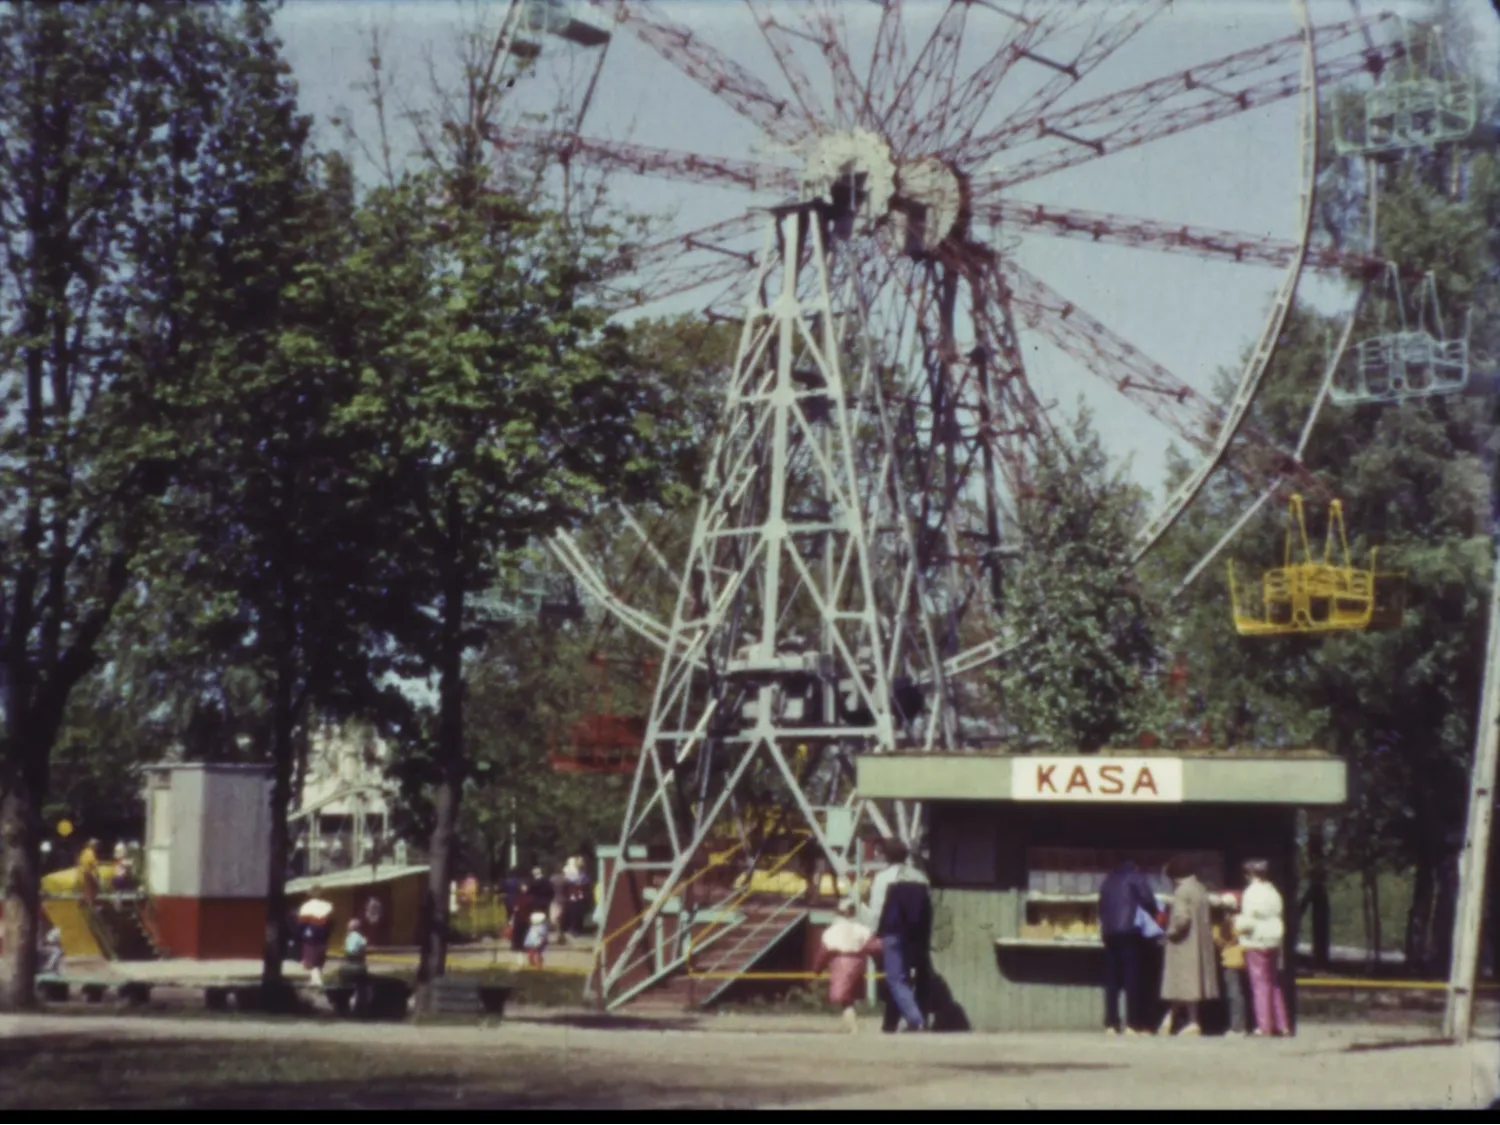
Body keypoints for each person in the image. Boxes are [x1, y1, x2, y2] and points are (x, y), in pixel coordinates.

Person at [867, 838, 931, 1034]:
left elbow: (877, 909)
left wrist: (873, 932)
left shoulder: (882, 878)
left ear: (886, 855)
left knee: (895, 978)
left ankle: (915, 1019)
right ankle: (890, 1023)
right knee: (906, 978)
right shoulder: (920, 877)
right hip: (916, 934)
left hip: (892, 931)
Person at [1097, 858, 1162, 1036]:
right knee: (1132, 978)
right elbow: (1148, 899)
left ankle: (1111, 1022)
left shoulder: (1108, 880)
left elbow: (1100, 906)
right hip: (1130, 932)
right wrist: (1155, 912)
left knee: (1112, 980)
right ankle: (1133, 1023)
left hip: (1109, 933)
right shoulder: (1136, 877)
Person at [1159, 856, 1218, 1036]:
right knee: (1189, 987)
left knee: (1182, 985)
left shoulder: (1182, 892)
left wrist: (1169, 933)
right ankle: (1171, 1020)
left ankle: (1188, 1022)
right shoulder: (1200, 889)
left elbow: (1182, 918)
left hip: (1184, 945)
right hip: (1199, 945)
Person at [1235, 858, 1291, 1037]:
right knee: (1274, 983)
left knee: (1259, 984)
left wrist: (1238, 926)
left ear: (1251, 874)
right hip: (1273, 937)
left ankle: (1264, 1026)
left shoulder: (1251, 893)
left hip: (1256, 940)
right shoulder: (1274, 892)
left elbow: (1249, 920)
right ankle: (1283, 1024)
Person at [814, 898, 880, 1033]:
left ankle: (853, 1026)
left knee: (841, 996)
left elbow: (823, 952)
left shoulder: (831, 931)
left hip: (841, 962)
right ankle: (851, 1025)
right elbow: (874, 947)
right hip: (858, 963)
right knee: (848, 997)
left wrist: (817, 969)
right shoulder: (861, 929)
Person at [1213, 889, 1249, 1036]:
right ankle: (1243, 1024)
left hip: (1231, 961)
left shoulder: (1226, 923)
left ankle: (1237, 1027)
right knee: (1241, 994)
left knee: (1233, 995)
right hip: (1244, 957)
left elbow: (1219, 939)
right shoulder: (1243, 920)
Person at [298, 886, 335, 988]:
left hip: (309, 937)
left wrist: (301, 936)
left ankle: (316, 982)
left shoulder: (305, 906)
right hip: (322, 937)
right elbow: (331, 924)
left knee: (310, 961)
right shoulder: (328, 906)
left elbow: (301, 925)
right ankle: (316, 980)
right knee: (318, 961)